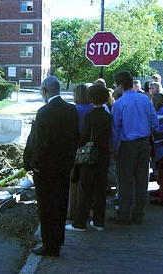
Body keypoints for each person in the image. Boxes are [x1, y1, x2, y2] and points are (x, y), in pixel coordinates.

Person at [23, 76, 79, 257]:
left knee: (47, 208)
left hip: (46, 169)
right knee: (61, 205)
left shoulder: (44, 112)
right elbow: (75, 138)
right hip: (64, 167)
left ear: (45, 90)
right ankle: (58, 241)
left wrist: (31, 164)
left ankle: (49, 245)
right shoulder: (72, 110)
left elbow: (39, 144)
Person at [110, 71, 158, 225]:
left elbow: (115, 129)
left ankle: (124, 213)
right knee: (142, 179)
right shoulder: (145, 100)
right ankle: (138, 213)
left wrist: (115, 149)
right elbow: (154, 123)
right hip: (144, 143)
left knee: (125, 180)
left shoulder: (119, 104)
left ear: (119, 85)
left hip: (127, 144)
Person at [66, 85, 112, 232]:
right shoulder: (108, 116)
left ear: (92, 97)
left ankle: (79, 223)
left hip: (90, 156)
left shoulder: (90, 116)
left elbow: (84, 136)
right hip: (104, 156)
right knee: (100, 190)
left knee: (85, 190)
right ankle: (99, 222)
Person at [67, 84, 92, 221]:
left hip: (75, 149)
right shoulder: (92, 109)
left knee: (73, 182)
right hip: (90, 149)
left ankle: (72, 211)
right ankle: (86, 211)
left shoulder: (73, 110)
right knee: (87, 183)